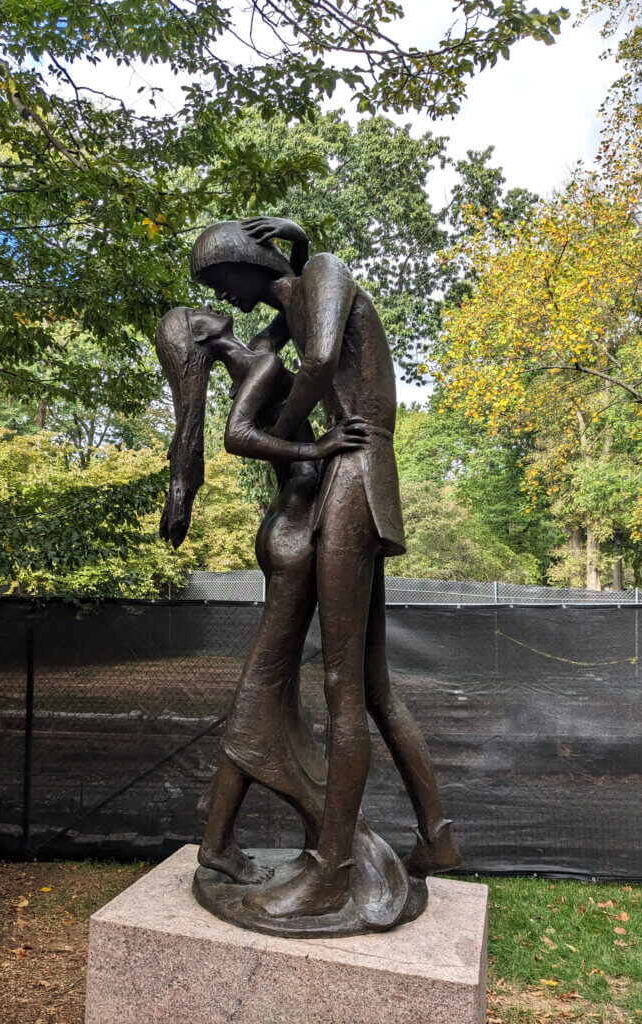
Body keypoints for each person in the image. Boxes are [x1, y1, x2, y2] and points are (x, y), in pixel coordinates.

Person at [190, 217, 460, 919]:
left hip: (353, 472)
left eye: (226, 279)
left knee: (343, 688)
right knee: (372, 685)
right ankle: (438, 840)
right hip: (358, 473)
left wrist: (288, 442)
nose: (230, 296)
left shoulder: (325, 274)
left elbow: (314, 359)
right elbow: (289, 330)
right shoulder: (305, 285)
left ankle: (331, 874)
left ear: (252, 258)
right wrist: (296, 242)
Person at [156, 304, 368, 884]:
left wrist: (295, 248)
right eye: (199, 309)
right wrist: (316, 450)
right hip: (294, 535)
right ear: (201, 333)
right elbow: (237, 437)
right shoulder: (261, 368)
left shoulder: (258, 351)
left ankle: (217, 823)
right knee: (264, 681)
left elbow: (293, 310)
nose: (214, 304)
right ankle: (219, 838)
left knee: (267, 683)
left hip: (289, 529)